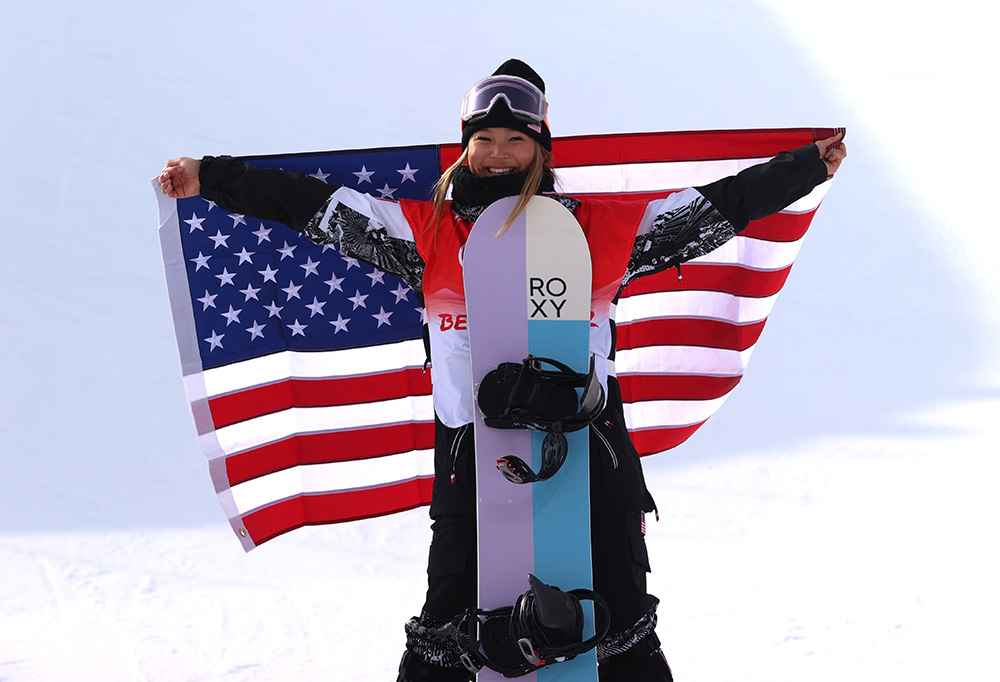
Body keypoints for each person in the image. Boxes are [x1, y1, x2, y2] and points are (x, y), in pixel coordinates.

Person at [160, 59, 846, 682]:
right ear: (465, 148)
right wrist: (211, 177)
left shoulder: (600, 229)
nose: (497, 154)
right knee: (448, 620)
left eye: (516, 140)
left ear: (541, 149)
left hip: (591, 448)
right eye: (483, 140)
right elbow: (310, 207)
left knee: (624, 621)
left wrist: (804, 168)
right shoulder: (426, 233)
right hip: (470, 453)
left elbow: (716, 209)